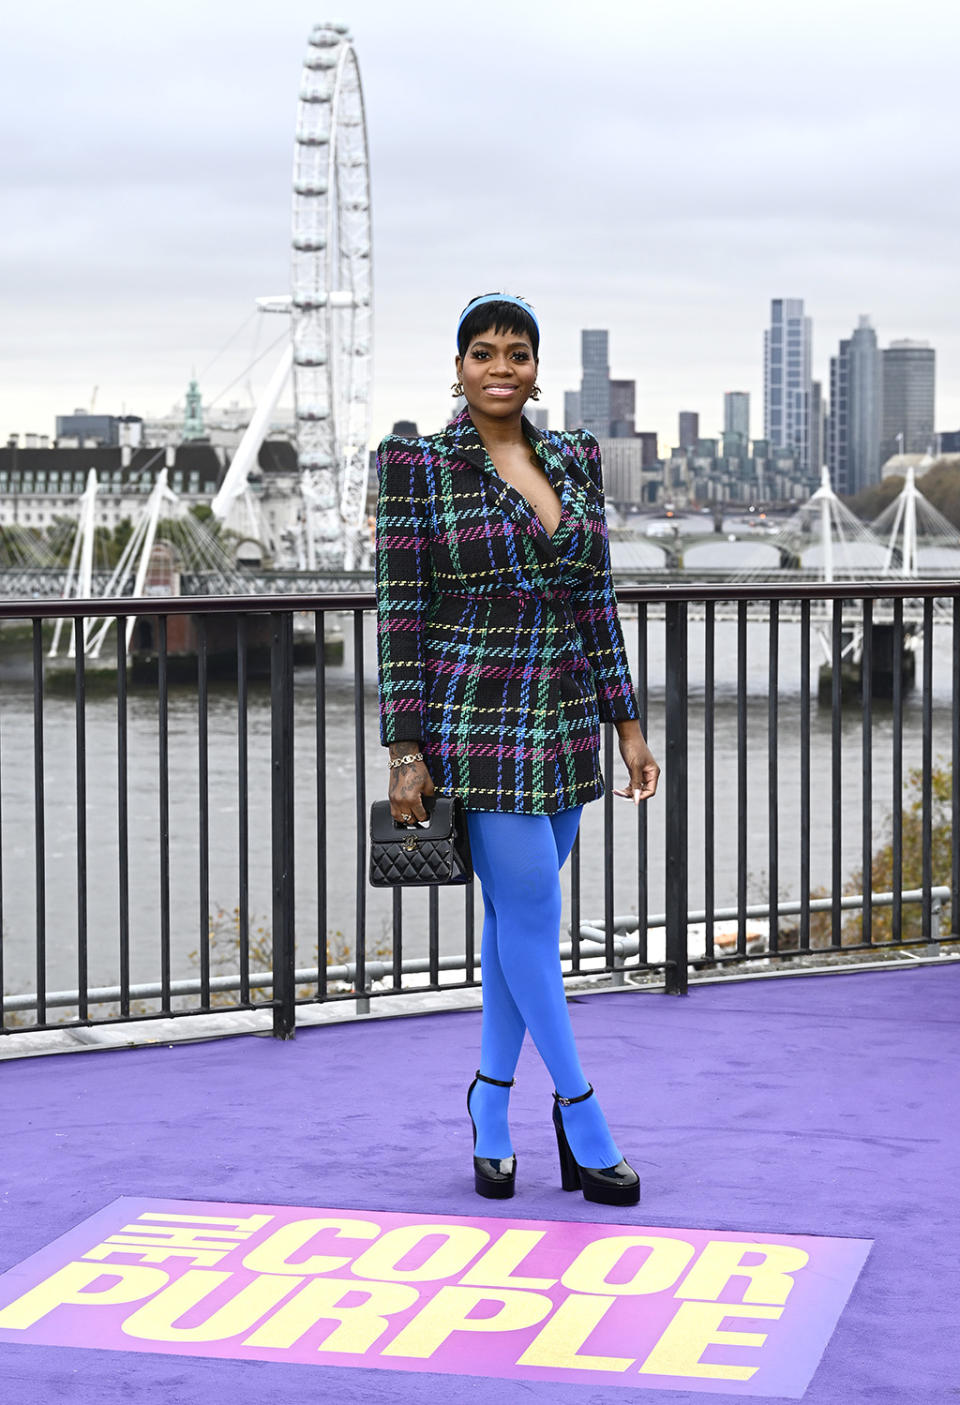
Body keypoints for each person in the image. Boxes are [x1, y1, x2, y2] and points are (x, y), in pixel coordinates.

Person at [375, 293, 659, 1207]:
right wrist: (405, 745)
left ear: (536, 368)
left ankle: (489, 1101)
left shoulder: (574, 457)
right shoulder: (415, 464)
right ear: (457, 367)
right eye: (483, 352)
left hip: (567, 709)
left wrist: (628, 723)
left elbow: (595, 601)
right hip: (475, 714)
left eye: (518, 353)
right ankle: (582, 1113)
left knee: (512, 923)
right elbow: (402, 610)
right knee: (535, 915)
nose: (502, 366)